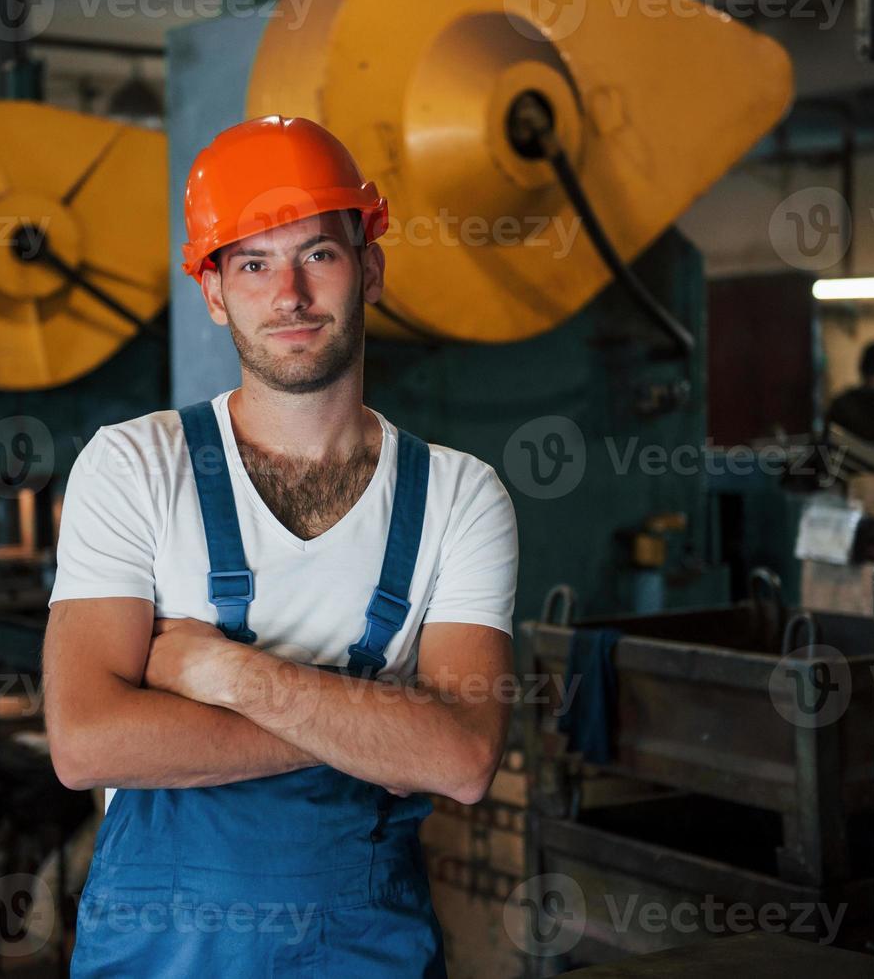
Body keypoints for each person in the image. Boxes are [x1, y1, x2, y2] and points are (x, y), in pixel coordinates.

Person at [45, 115, 520, 978]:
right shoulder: (133, 465)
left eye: (319, 255)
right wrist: (374, 725)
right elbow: (86, 744)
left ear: (369, 269)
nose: (289, 294)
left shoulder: (461, 496)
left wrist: (223, 675)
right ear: (216, 292)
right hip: (160, 950)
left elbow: (463, 760)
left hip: (364, 949)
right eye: (253, 263)